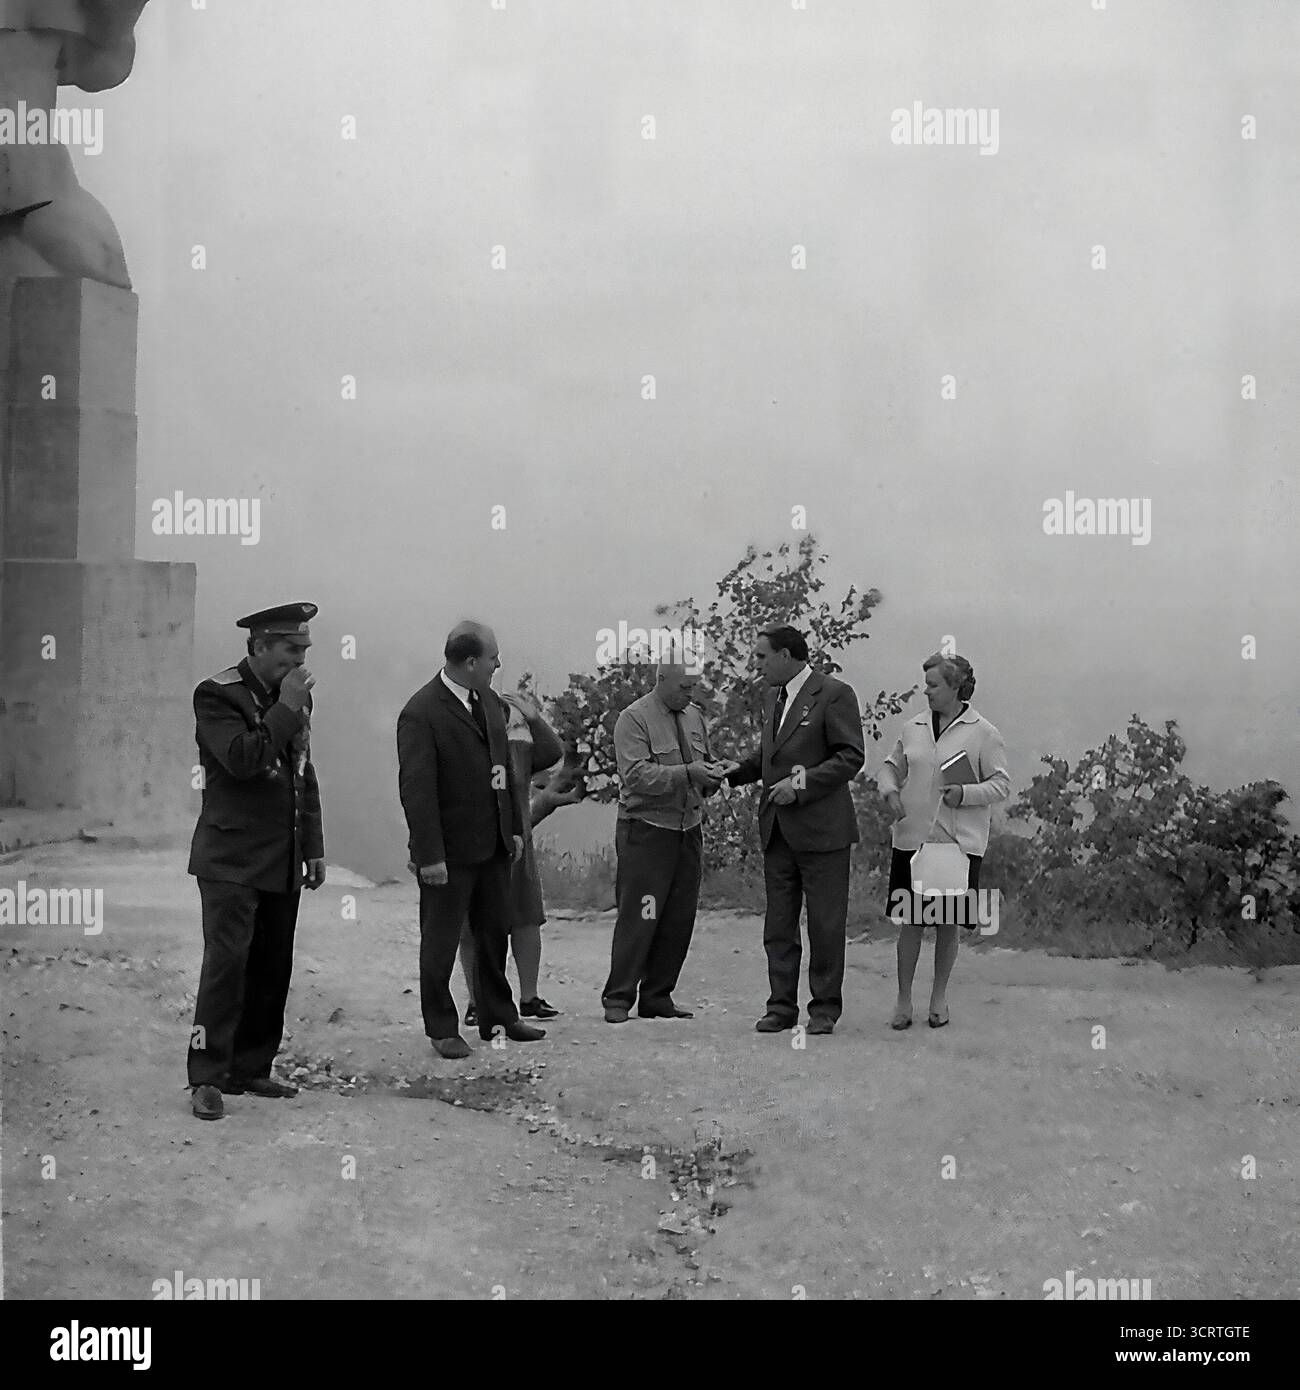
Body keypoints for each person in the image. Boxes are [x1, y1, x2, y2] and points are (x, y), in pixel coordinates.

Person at [186, 602, 325, 1121]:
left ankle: (250, 1066)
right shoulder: (217, 694)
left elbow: (302, 772)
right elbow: (244, 760)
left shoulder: (293, 699)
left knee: (272, 966)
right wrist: (286, 708)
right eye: (292, 649)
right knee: (226, 966)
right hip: (230, 859)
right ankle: (205, 1075)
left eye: (304, 649)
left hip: (280, 858)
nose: (301, 658)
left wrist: (313, 845)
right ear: (261, 646)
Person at [396, 622, 543, 1058]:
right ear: (471, 662)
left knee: (493, 933)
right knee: (440, 941)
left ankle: (500, 1014)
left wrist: (513, 830)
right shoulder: (421, 712)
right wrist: (429, 856)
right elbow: (417, 791)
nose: (499, 664)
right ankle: (442, 1028)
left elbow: (505, 775)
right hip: (448, 854)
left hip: (494, 847)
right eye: (493, 657)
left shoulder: (491, 704)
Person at [720, 625, 864, 1035]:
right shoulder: (773, 697)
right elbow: (772, 754)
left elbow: (850, 756)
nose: (758, 665)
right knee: (779, 925)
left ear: (786, 655)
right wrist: (739, 771)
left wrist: (798, 786)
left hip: (823, 832)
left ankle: (824, 1009)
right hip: (778, 830)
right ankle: (781, 1007)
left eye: (763, 657)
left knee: (825, 924)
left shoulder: (835, 694)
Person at [878, 652, 1009, 1029]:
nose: (927, 691)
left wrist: (965, 793)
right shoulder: (913, 727)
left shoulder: (984, 732)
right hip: (911, 840)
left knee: (947, 923)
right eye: (926, 684)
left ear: (955, 687)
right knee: (910, 921)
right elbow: (891, 766)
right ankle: (903, 1001)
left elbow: (1001, 784)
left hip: (956, 845)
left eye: (934, 685)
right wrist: (889, 790)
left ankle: (939, 998)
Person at [601, 658, 726, 1024]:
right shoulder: (634, 719)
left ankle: (658, 996)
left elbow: (704, 763)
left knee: (678, 917)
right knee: (642, 913)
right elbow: (637, 776)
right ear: (661, 680)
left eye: (693, 688)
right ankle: (618, 997)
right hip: (646, 829)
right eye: (683, 688)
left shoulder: (695, 717)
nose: (689, 694)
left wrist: (714, 776)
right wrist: (688, 772)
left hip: (689, 828)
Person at [457, 691, 582, 1025]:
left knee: (526, 918)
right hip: (475, 836)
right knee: (471, 925)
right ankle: (476, 1000)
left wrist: (533, 718)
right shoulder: (460, 721)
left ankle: (529, 998)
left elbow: (551, 753)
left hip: (518, 836)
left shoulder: (517, 728)